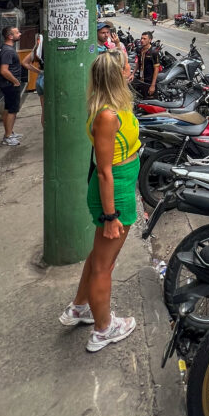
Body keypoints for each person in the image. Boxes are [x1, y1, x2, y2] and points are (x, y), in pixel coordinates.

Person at [59, 51, 138, 351]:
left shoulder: (116, 106)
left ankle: (80, 306)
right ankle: (104, 329)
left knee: (98, 257)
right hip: (113, 194)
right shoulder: (107, 115)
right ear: (116, 76)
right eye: (125, 68)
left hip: (120, 187)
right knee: (105, 265)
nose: (129, 70)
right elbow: (105, 172)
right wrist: (110, 217)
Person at [0, 26, 23, 146]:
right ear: (10, 36)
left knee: (8, 109)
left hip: (7, 84)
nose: (20, 34)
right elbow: (4, 70)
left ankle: (9, 132)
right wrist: (15, 81)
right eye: (17, 33)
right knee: (12, 110)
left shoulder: (6, 49)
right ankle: (8, 137)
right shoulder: (7, 51)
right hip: (10, 84)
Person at [22, 32, 44, 126]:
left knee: (44, 110)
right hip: (48, 80)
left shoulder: (37, 50)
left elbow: (25, 62)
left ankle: (46, 133)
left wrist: (39, 72)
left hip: (41, 79)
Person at [132, 31, 160, 96]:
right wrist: (132, 74)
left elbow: (156, 69)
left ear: (150, 40)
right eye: (141, 38)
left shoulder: (154, 52)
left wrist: (152, 85)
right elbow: (138, 63)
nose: (142, 40)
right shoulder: (139, 49)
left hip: (149, 82)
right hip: (141, 79)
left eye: (144, 39)